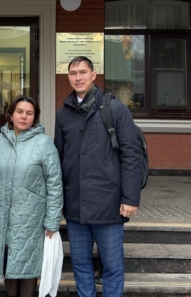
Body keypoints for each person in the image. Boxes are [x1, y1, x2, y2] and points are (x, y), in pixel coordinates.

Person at [54, 56, 142, 297]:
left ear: (93, 75)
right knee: (80, 265)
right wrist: (57, 202)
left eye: (83, 72)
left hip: (109, 205)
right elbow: (58, 159)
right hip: (75, 205)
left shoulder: (115, 109)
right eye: (73, 73)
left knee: (112, 266)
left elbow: (131, 155)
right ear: (68, 77)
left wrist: (130, 198)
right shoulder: (62, 115)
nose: (78, 77)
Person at [0, 96, 63, 297]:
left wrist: (53, 219)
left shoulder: (44, 143)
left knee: (27, 266)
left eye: (29, 113)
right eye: (19, 112)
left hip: (30, 218)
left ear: (34, 118)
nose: (24, 116)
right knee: (7, 262)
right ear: (10, 114)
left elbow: (54, 184)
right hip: (0, 215)